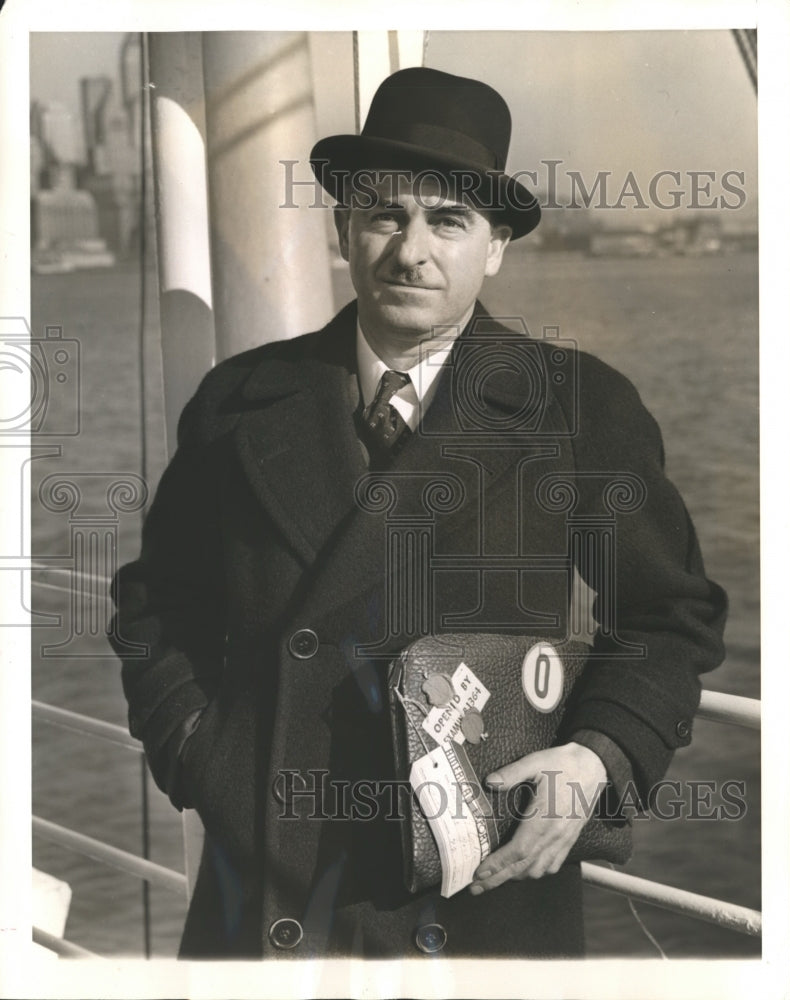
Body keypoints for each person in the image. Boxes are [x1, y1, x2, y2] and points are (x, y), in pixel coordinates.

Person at [111, 67, 727, 959]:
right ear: (342, 228)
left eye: (449, 220)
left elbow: (670, 617)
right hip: (269, 883)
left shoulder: (579, 409)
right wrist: (200, 753)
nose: (411, 250)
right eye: (384, 214)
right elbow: (158, 606)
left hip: (483, 887)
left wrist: (597, 756)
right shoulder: (239, 402)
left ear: (496, 247)